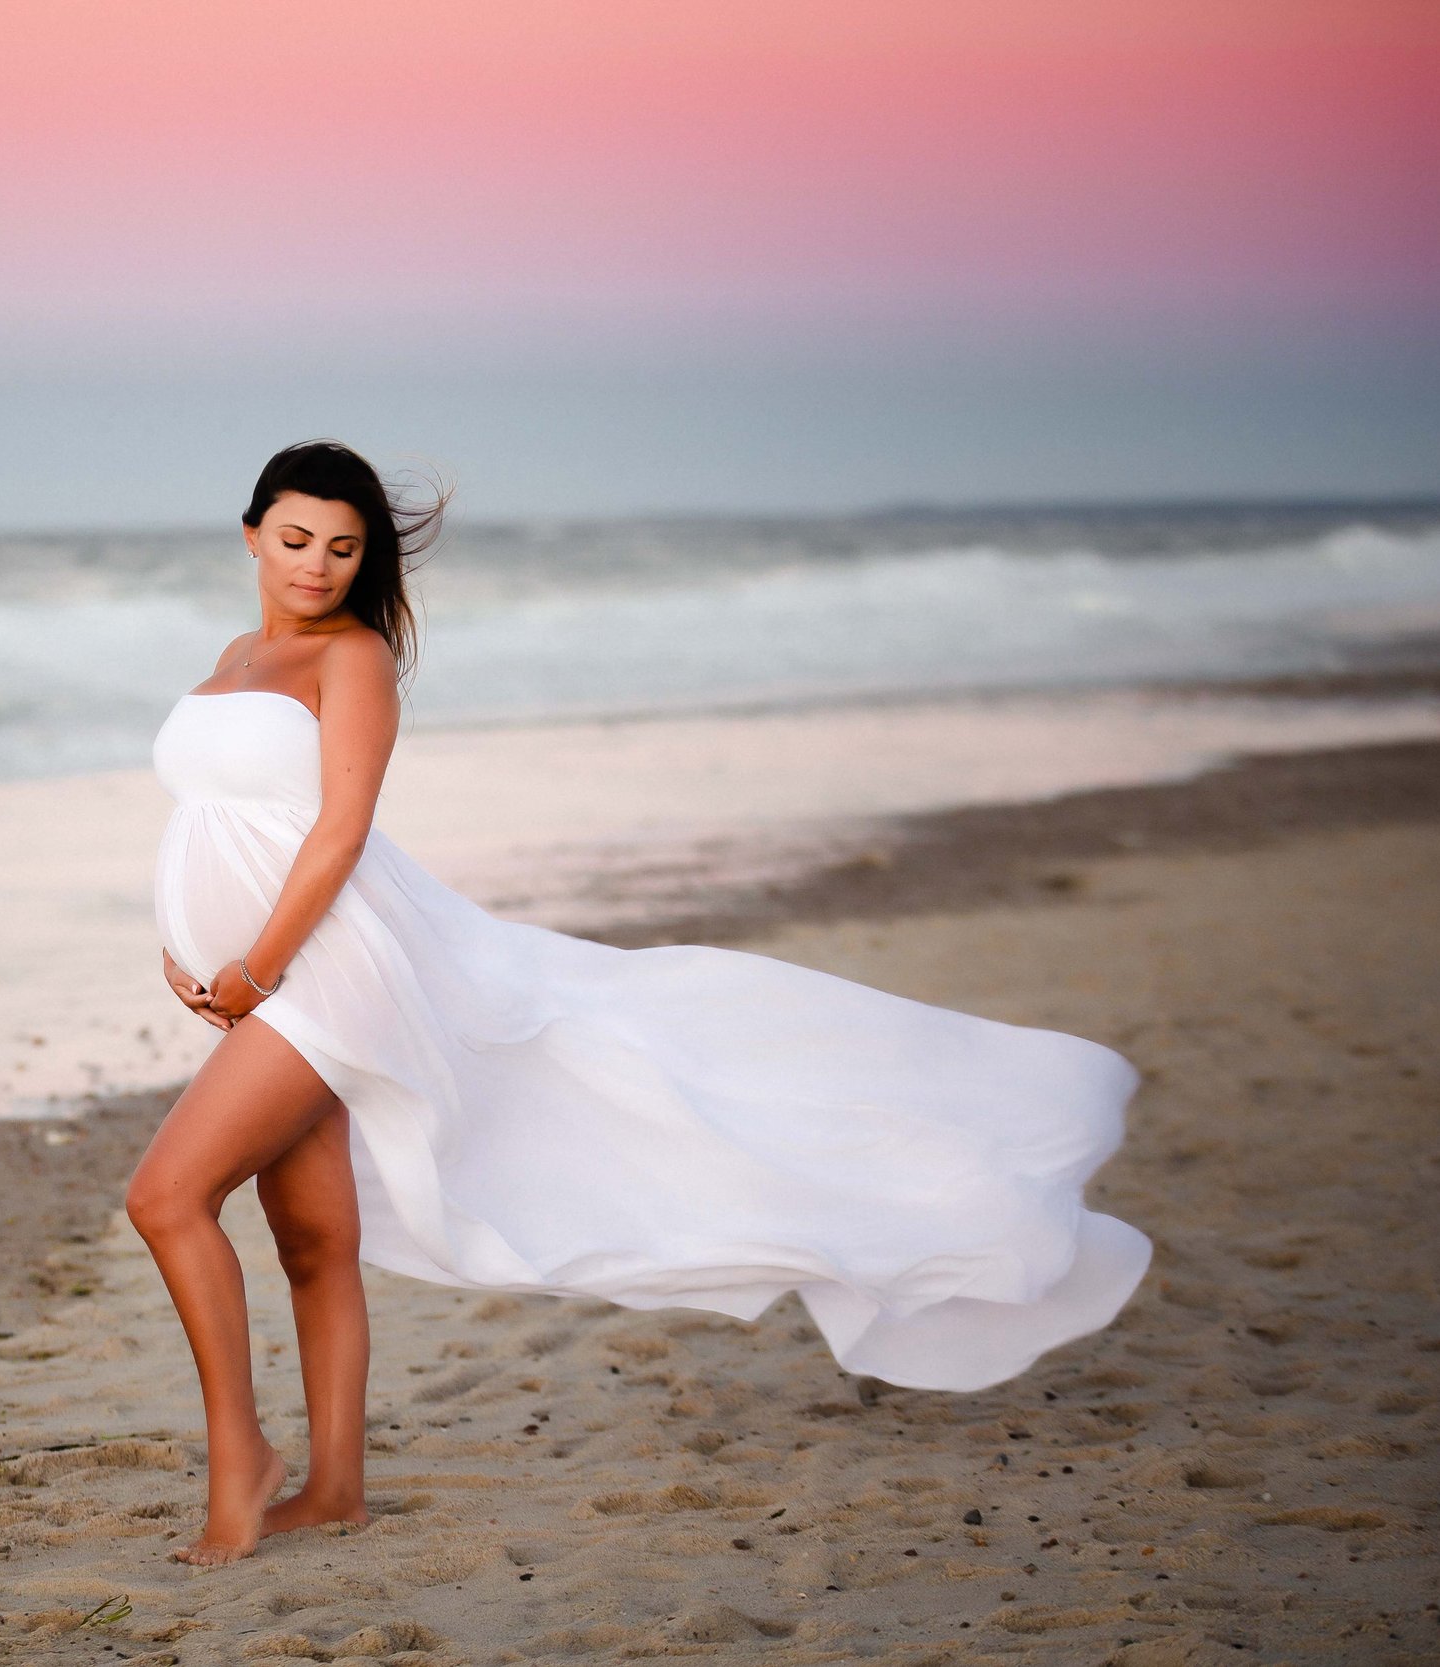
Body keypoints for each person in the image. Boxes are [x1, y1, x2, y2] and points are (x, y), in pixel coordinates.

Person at [123, 439, 1152, 1566]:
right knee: (315, 1241)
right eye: (295, 538)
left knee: (166, 1196)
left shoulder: (352, 656)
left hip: (328, 974)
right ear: (251, 533)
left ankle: (241, 1465)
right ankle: (335, 1486)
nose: (315, 564)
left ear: (364, 560)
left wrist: (260, 962)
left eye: (341, 547)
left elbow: (339, 831)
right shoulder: (237, 653)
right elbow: (223, 817)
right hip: (261, 976)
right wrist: (194, 954)